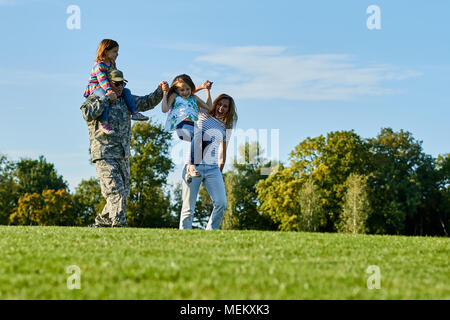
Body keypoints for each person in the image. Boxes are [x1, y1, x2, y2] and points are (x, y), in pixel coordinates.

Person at [80, 69, 168, 227]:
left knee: (124, 193)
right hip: (104, 153)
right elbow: (87, 113)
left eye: (122, 83)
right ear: (107, 83)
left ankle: (102, 222)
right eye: (116, 83)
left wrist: (160, 91)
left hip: (122, 154)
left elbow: (146, 102)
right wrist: (106, 98)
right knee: (116, 192)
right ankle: (119, 224)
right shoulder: (97, 96)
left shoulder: (126, 100)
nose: (120, 87)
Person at [179, 89, 238, 230]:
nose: (221, 108)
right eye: (219, 104)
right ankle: (183, 237)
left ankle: (211, 232)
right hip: (194, 166)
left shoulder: (225, 127)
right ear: (215, 104)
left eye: (225, 106)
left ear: (229, 110)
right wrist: (205, 88)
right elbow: (189, 95)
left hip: (213, 168)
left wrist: (219, 170)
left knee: (221, 203)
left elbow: (223, 152)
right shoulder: (203, 114)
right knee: (188, 206)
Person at [84, 39, 148, 135]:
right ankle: (104, 123)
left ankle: (135, 113)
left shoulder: (112, 63)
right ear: (105, 51)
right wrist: (109, 90)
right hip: (96, 87)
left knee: (126, 91)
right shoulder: (99, 65)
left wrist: (118, 86)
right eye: (114, 51)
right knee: (104, 96)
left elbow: (115, 76)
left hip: (107, 86)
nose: (117, 54)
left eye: (117, 52)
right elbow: (102, 80)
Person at [161, 74, 213, 183]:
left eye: (188, 89)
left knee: (208, 140)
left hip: (193, 127)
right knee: (198, 133)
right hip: (182, 126)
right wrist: (165, 93)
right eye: (182, 90)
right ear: (177, 90)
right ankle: (191, 165)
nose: (185, 92)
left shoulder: (194, 98)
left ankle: (190, 169)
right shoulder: (175, 97)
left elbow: (209, 107)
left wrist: (207, 91)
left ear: (191, 88)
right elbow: (165, 109)